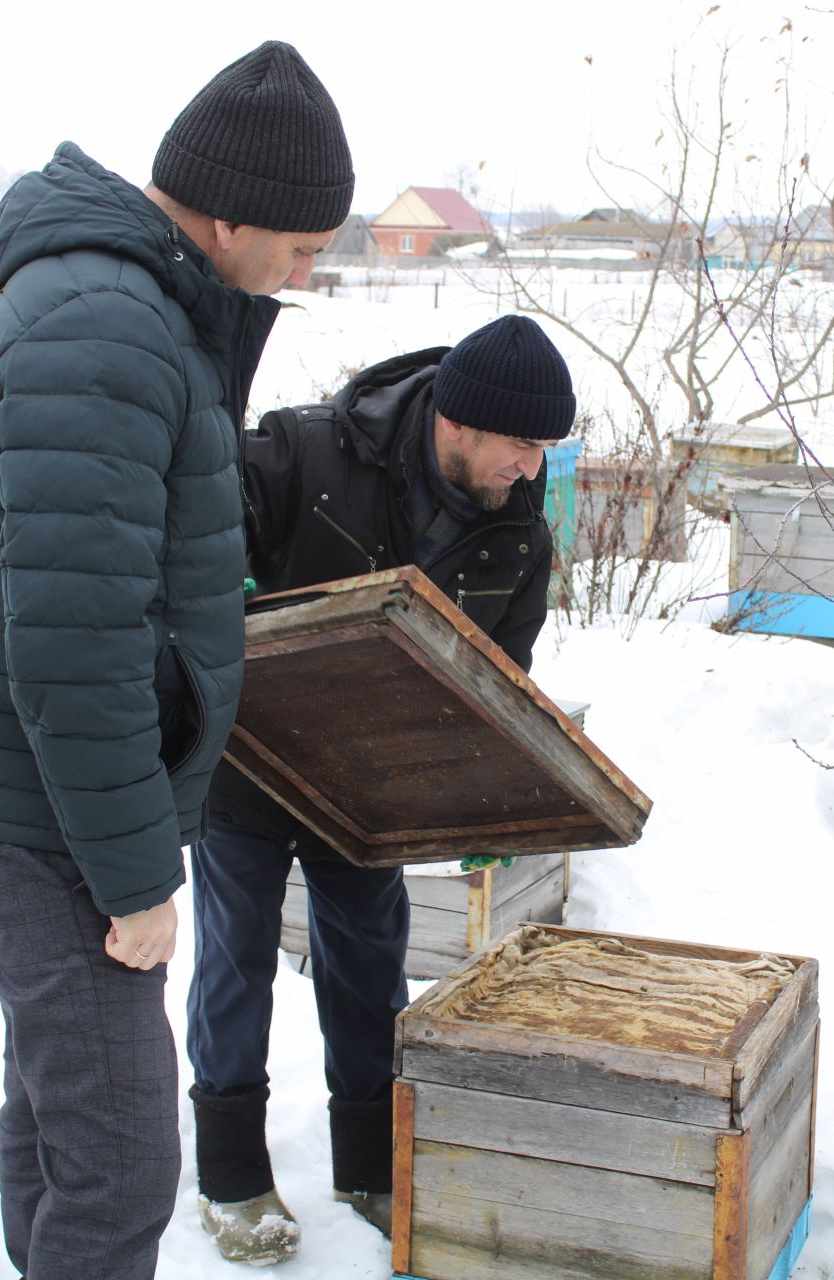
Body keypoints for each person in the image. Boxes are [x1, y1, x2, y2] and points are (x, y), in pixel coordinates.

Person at [0, 41, 352, 1280]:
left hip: (42, 793)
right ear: (224, 214)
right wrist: (133, 878)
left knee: (61, 1105)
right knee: (116, 1153)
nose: (313, 272)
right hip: (45, 808)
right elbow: (74, 642)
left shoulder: (135, 313)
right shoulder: (102, 333)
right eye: (303, 245)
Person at [186, 314, 576, 1263]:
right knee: (235, 956)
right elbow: (193, 510)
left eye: (546, 449)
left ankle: (369, 1162)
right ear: (462, 420)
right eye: (523, 444)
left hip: (369, 784)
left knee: (370, 960)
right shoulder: (309, 448)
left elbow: (497, 687)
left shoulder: (516, 539)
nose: (533, 468)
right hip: (254, 750)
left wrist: (487, 797)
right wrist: (217, 582)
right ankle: (231, 1173)